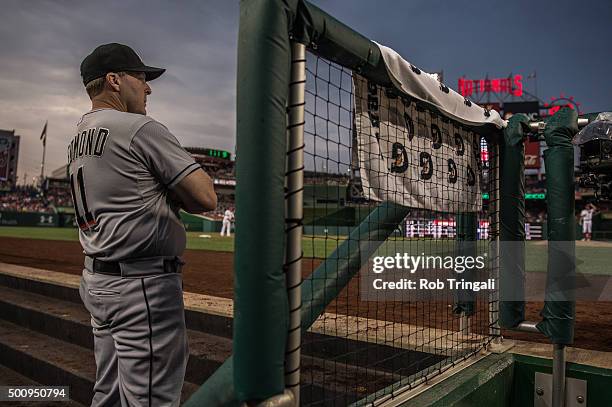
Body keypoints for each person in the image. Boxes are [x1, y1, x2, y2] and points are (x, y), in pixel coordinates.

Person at [72, 43, 217, 407]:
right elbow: (206, 198)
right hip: (142, 287)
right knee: (152, 399)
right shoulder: (139, 128)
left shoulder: (78, 135)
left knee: (108, 394)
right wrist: (173, 193)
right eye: (141, 77)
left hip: (98, 282)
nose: (148, 87)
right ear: (114, 80)